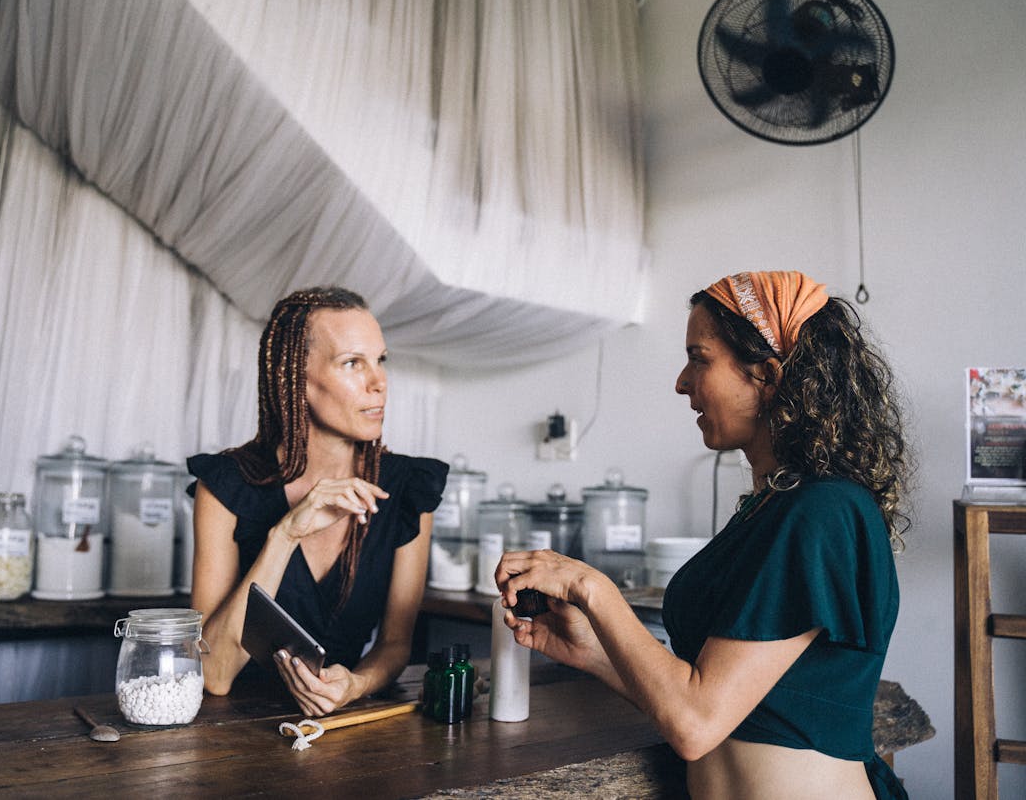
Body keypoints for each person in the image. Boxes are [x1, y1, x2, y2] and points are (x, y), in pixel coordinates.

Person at [495, 271, 911, 799]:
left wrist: (589, 587)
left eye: (699, 357)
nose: (681, 381)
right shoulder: (774, 509)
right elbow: (709, 701)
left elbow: (695, 724)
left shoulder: (824, 510)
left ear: (767, 375)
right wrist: (592, 652)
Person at [188, 287, 447, 716]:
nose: (378, 382)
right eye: (352, 363)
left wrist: (355, 685)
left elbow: (395, 644)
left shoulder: (407, 487)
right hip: (233, 732)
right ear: (296, 380)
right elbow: (213, 675)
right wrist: (285, 533)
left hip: (346, 725)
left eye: (381, 360)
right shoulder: (226, 485)